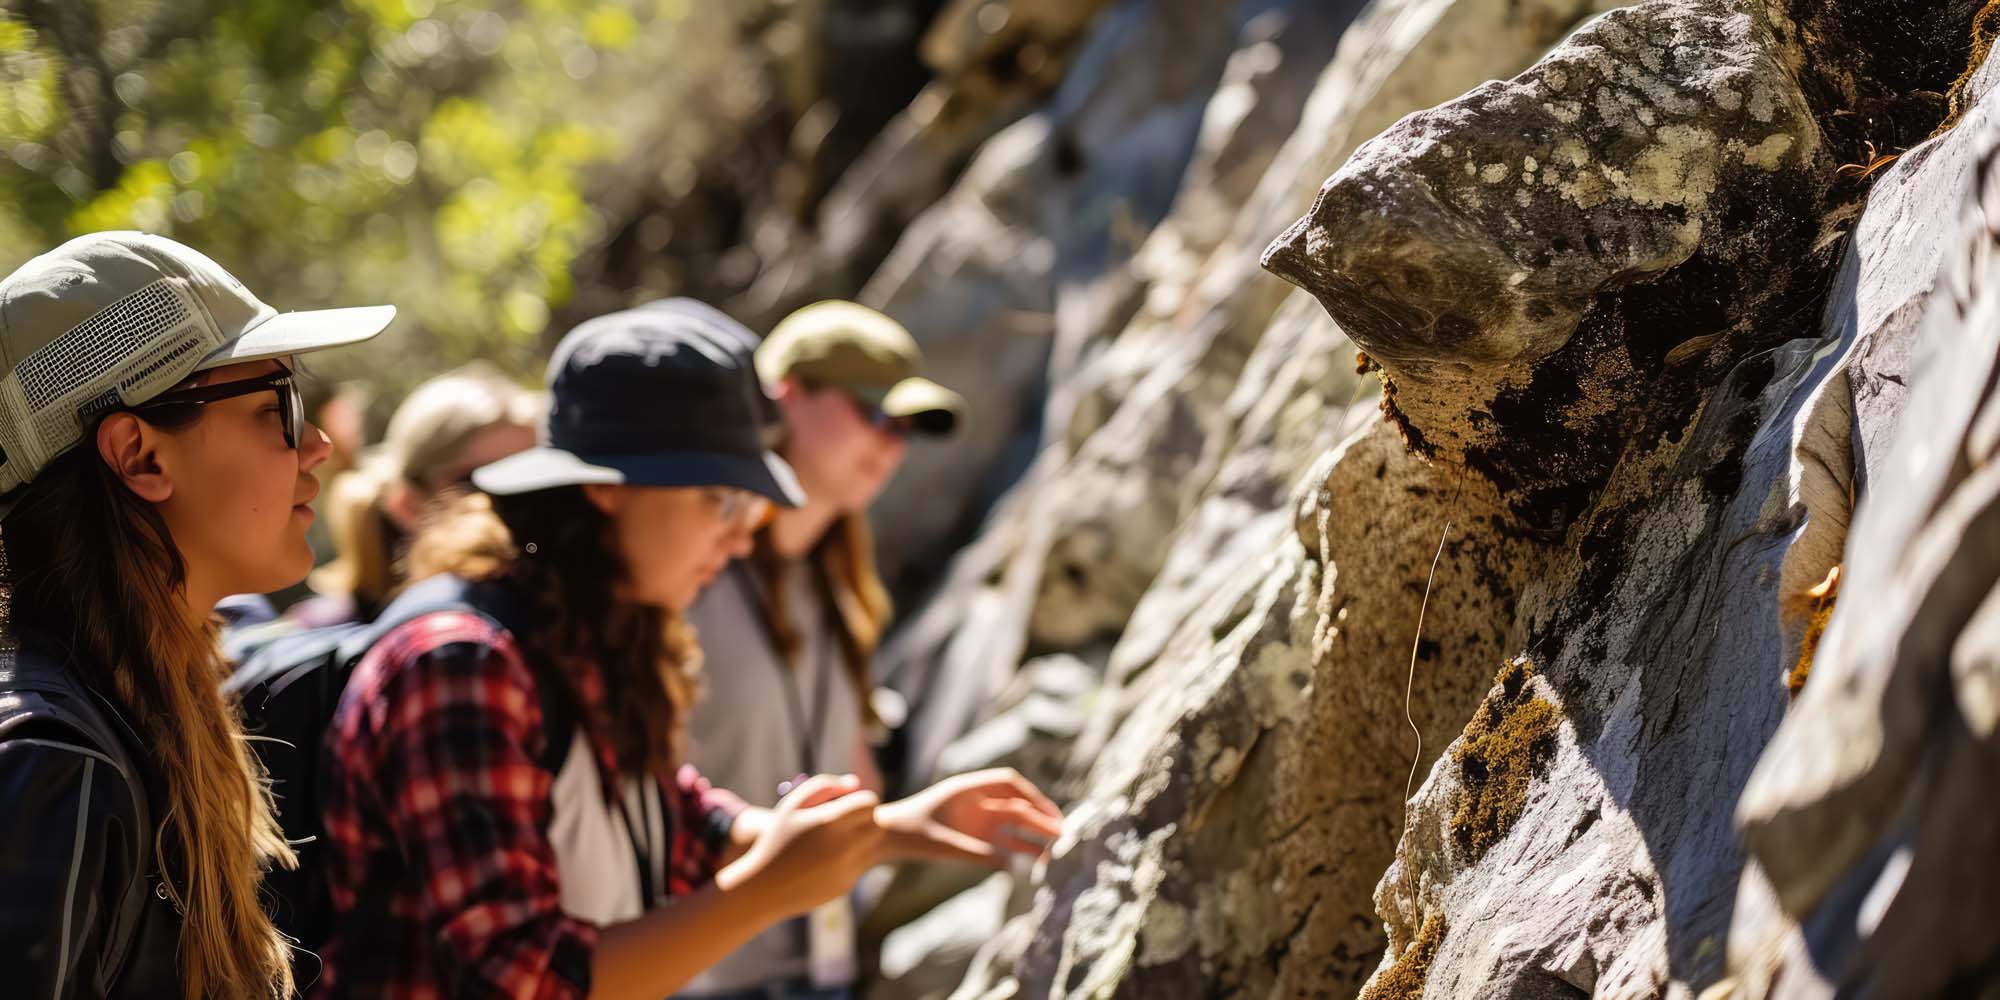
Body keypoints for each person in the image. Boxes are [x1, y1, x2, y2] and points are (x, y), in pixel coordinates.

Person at [315, 298, 1061, 1000]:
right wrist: (768, 890)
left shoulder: (590, 634)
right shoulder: (463, 665)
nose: (741, 536)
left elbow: (682, 822)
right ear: (607, 488)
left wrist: (901, 828)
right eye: (720, 499)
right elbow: (523, 978)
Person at [0, 231, 390, 999]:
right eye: (278, 406)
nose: (315, 445)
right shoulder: (53, 765)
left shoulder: (142, 713)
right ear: (141, 456)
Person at [676, 300, 965, 1000]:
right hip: (700, 976)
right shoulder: (687, 576)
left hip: (821, 972)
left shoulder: (842, 593)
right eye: (874, 412)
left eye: (908, 427)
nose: (892, 443)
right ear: (787, 397)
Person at [288, 361, 541, 628]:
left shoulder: (557, 610)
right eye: (475, 482)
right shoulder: (441, 641)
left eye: (533, 475)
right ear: (406, 504)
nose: (519, 502)